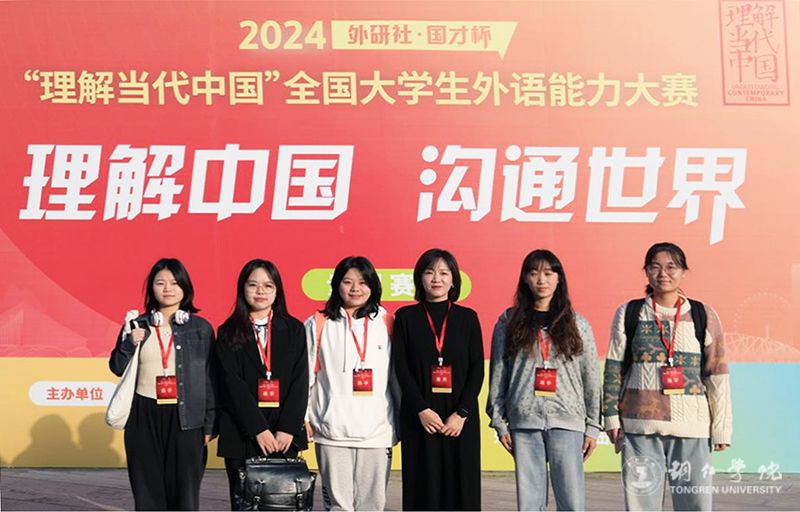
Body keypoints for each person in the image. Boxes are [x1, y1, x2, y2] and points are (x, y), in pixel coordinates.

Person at [603, 242, 732, 511]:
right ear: (646, 272)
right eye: (655, 267)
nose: (663, 273)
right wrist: (611, 417)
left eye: (671, 267)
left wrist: (721, 427)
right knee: (641, 506)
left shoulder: (703, 314)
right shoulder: (629, 313)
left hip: (691, 428)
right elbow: (614, 368)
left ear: (684, 272)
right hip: (640, 428)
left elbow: (717, 375)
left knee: (695, 505)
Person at [487, 249, 600, 511]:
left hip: (568, 421)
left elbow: (591, 377)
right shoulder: (508, 322)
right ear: (525, 278)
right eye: (534, 273)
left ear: (559, 279)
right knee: (529, 503)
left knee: (572, 502)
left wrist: (593, 426)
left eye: (549, 273)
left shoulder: (578, 324)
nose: (541, 280)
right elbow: (498, 374)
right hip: (524, 422)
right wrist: (500, 423)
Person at [109, 258, 216, 510]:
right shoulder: (137, 325)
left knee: (185, 494)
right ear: (151, 289)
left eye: (175, 283)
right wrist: (129, 343)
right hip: (143, 415)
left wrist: (210, 423)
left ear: (185, 288)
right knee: (147, 492)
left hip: (186, 416)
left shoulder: (200, 328)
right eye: (160, 283)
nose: (168, 288)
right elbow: (116, 367)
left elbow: (211, 378)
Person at [304, 256, 399, 511]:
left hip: (377, 431)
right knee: (338, 506)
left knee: (373, 504)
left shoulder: (387, 321)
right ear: (336, 284)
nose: (355, 288)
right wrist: (305, 417)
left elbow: (396, 377)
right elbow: (305, 376)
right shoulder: (318, 323)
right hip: (331, 430)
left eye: (363, 282)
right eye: (348, 282)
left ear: (373, 286)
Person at [393, 248, 484, 510]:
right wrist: (421, 409)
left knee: (461, 486)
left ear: (453, 280)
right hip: (420, 416)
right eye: (429, 272)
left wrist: (462, 413)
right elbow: (401, 368)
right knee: (423, 485)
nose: (436, 278)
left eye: (444, 273)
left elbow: (477, 369)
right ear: (419, 278)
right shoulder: (405, 317)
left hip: (459, 418)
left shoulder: (468, 318)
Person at [215, 259, 309, 510]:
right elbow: (231, 385)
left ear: (277, 291)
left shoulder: (294, 329)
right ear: (242, 288)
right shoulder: (227, 331)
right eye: (253, 285)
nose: (260, 291)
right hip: (242, 434)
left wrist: (287, 428)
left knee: (283, 504)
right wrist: (258, 429)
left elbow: (300, 382)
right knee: (246, 504)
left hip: (283, 437)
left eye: (268, 286)